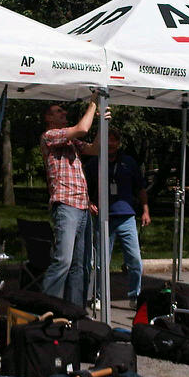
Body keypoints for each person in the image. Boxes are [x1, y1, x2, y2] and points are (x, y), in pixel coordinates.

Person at [40, 91, 109, 307]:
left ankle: (74, 312)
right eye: (58, 111)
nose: (64, 113)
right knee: (64, 261)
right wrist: (93, 104)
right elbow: (82, 128)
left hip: (82, 207)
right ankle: (47, 308)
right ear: (48, 118)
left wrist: (101, 123)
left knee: (80, 265)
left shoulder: (71, 143)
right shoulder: (50, 136)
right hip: (66, 206)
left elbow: (95, 149)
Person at [84, 127, 150, 309]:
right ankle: (98, 296)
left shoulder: (129, 162)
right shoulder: (94, 163)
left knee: (135, 260)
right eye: (108, 140)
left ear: (118, 143)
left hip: (127, 216)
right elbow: (84, 187)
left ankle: (134, 295)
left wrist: (145, 210)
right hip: (103, 218)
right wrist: (89, 202)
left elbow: (141, 188)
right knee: (100, 262)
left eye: (114, 140)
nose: (111, 144)